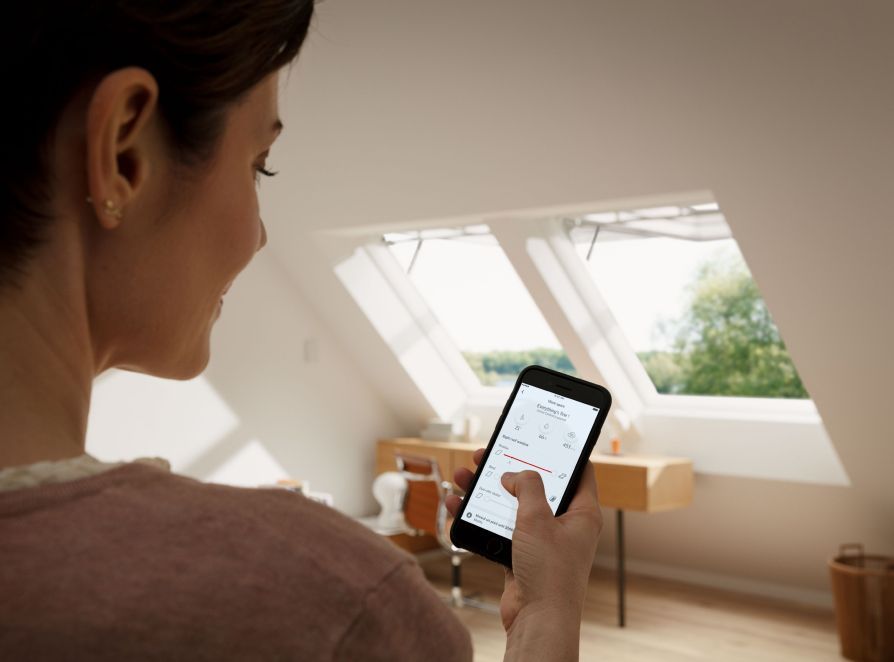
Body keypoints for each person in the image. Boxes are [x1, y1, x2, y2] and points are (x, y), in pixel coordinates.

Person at [0, 1, 603, 660]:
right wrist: (548, 611)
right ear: (124, 151)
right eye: (259, 162)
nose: (259, 236)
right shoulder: (325, 599)